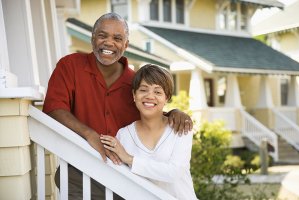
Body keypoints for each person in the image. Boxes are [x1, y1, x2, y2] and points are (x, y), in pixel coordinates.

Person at [43, 13, 193, 199]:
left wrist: (173, 113)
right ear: (93, 38)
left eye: (117, 38)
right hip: (81, 168)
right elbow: (53, 108)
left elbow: (149, 108)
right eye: (102, 35)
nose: (109, 43)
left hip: (124, 174)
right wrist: (90, 134)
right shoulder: (70, 66)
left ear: (126, 45)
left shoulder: (134, 81)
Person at [100, 64, 197, 200]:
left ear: (166, 98)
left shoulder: (181, 128)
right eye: (143, 90)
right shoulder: (124, 135)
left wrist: (129, 159)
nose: (150, 96)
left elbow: (174, 172)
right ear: (134, 95)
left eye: (157, 92)